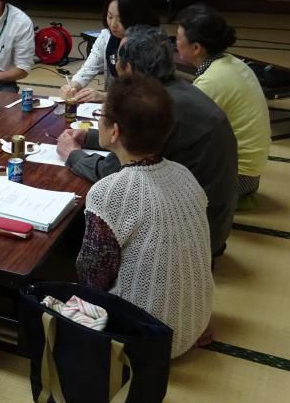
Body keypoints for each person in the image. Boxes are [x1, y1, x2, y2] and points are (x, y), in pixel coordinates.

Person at [57, 26, 238, 257]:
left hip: (190, 241)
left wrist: (73, 155)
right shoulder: (174, 90)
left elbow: (113, 172)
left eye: (117, 59)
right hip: (210, 223)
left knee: (77, 224)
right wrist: (88, 138)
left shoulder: (150, 107)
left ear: (128, 68)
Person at [76, 75, 214, 358]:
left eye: (101, 114)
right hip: (194, 320)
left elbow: (93, 279)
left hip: (146, 337)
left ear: (114, 132)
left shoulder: (110, 192)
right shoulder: (183, 173)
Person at [176, 3, 271, 203]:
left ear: (195, 48)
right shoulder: (232, 63)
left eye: (178, 38)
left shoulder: (212, 81)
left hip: (235, 180)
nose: (175, 43)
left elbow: (183, 133)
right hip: (250, 174)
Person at [62, 0, 159, 103]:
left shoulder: (148, 44)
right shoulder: (106, 36)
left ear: (136, 18)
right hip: (113, 106)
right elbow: (88, 69)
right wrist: (73, 86)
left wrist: (104, 96)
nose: (113, 24)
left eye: (120, 19)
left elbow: (146, 93)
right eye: (110, 16)